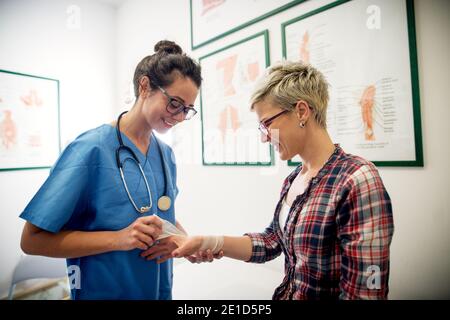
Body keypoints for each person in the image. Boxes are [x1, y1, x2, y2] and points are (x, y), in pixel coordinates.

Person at [144, 61, 395, 300]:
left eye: (266, 124)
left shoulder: (357, 180)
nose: (264, 138)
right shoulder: (294, 179)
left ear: (301, 111)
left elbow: (365, 293)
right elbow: (271, 242)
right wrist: (207, 241)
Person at [19, 40, 206, 299]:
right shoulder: (89, 150)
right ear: (144, 86)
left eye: (188, 109)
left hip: (159, 291)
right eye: (174, 103)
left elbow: (159, 213)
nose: (179, 116)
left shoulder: (166, 155)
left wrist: (184, 241)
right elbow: (31, 240)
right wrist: (119, 238)